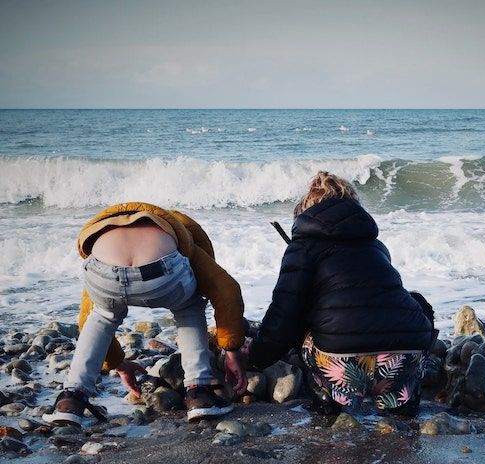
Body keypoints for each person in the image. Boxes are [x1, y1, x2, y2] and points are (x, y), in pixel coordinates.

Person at [43, 202, 247, 426]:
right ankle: (199, 394)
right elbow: (227, 289)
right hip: (161, 271)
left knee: (101, 316)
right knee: (188, 306)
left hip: (100, 268)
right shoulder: (181, 236)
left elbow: (85, 319)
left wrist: (118, 363)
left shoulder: (108, 232)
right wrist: (232, 351)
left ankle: (71, 400)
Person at [248, 172, 435, 416]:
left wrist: (255, 359)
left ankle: (330, 399)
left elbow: (285, 311)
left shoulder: (302, 247)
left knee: (305, 316)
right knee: (415, 301)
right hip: (403, 360)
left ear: (306, 211)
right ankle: (402, 399)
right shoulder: (376, 246)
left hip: (343, 365)